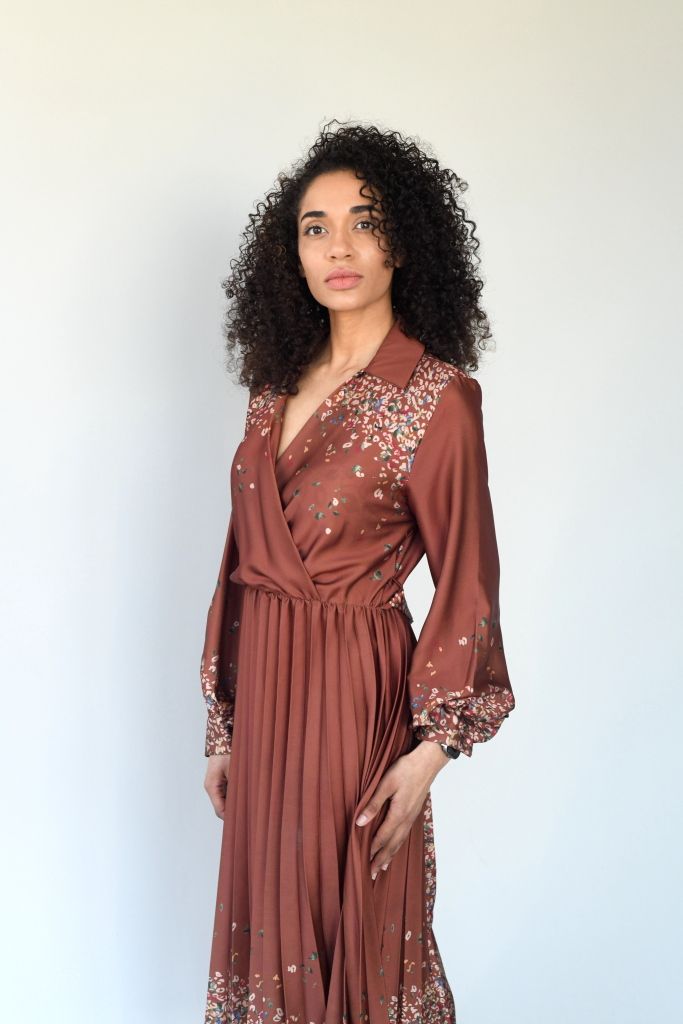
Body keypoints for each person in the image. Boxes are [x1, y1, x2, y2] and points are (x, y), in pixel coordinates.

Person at [199, 119, 515, 1024]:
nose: (337, 247)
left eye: (363, 223)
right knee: (270, 935)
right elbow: (242, 563)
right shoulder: (272, 391)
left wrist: (431, 752)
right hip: (265, 697)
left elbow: (468, 581)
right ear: (291, 252)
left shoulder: (437, 396)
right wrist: (223, 725)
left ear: (402, 243)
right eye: (315, 227)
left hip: (352, 701)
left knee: (357, 927)